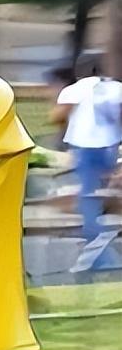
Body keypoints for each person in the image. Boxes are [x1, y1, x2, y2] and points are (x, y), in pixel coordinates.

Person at [54, 52, 122, 256]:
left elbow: (58, 116)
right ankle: (102, 231)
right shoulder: (116, 89)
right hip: (110, 144)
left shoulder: (73, 90)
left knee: (89, 194)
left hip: (84, 146)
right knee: (104, 190)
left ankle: (95, 246)